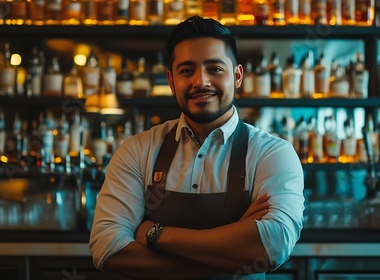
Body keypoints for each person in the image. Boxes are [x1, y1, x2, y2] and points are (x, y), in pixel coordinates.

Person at [89, 15, 304, 279]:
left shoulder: (271, 153)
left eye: (215, 69)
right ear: (171, 81)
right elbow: (107, 249)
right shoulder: (137, 150)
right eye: (187, 70)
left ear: (237, 76)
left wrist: (154, 233)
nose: (200, 82)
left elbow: (273, 245)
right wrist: (228, 256)